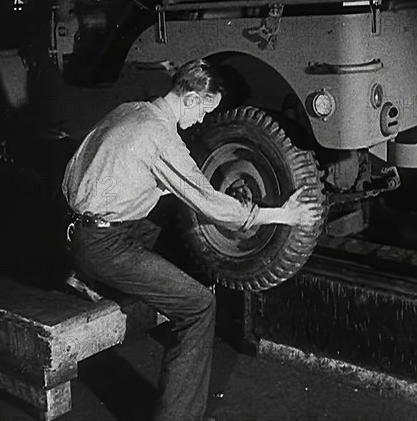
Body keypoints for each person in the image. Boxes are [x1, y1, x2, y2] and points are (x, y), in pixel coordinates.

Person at [62, 59, 321, 421]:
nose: (202, 121)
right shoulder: (161, 138)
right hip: (104, 246)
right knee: (198, 308)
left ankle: (84, 275)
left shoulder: (131, 111)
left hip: (82, 227)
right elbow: (210, 205)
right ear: (191, 98)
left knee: (179, 223)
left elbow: (84, 166)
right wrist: (279, 215)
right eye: (204, 110)